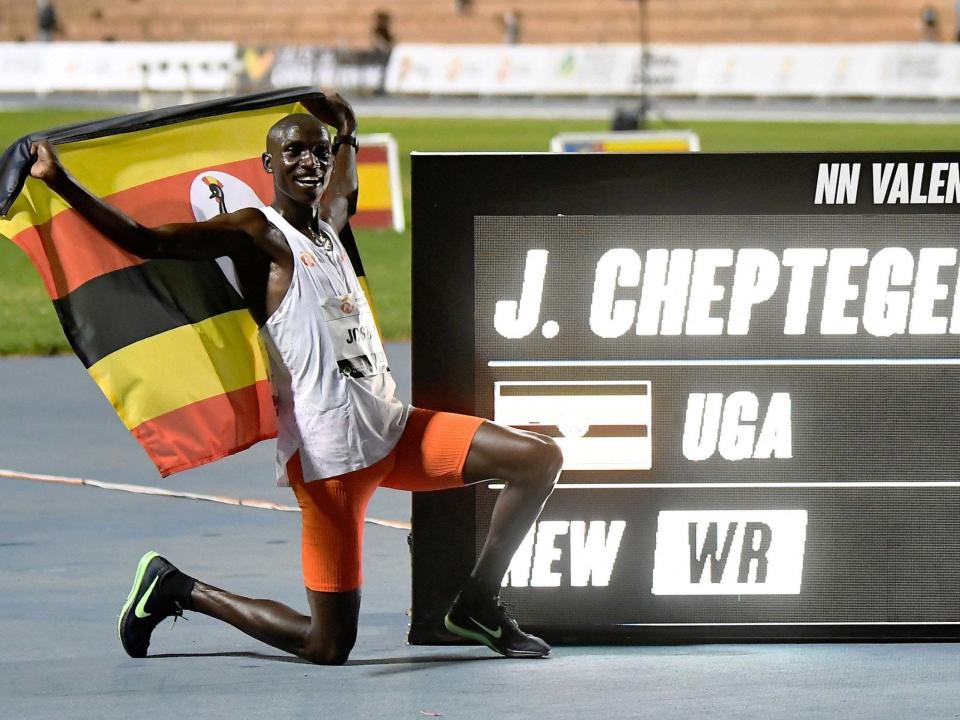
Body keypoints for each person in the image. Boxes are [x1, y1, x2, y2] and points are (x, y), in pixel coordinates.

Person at [28, 92, 562, 665]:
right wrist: (59, 181)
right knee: (327, 645)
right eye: (294, 152)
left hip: (394, 432)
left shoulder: (330, 227)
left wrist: (349, 128)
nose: (310, 163)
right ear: (268, 166)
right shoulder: (260, 234)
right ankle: (179, 589)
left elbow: (346, 190)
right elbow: (149, 241)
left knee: (538, 459)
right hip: (330, 462)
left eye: (319, 153)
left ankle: (477, 605)